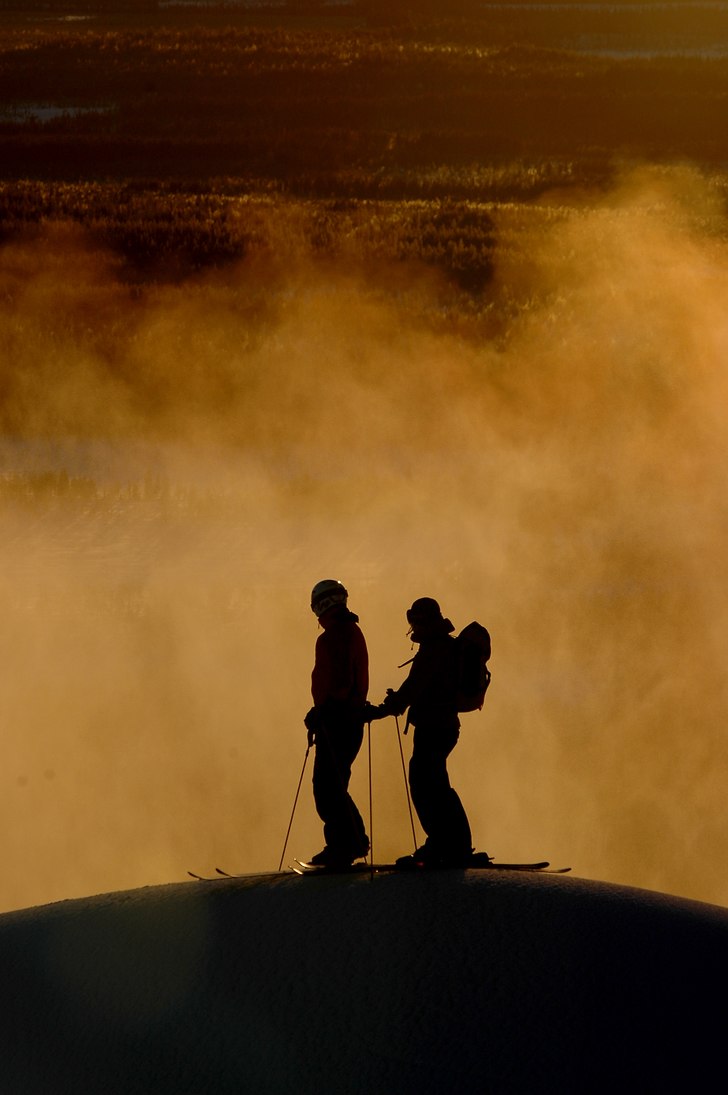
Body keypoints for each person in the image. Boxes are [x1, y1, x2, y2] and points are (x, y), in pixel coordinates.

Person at [375, 597, 473, 869]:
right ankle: (457, 843)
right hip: (444, 726)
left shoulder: (434, 649)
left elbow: (414, 686)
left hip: (433, 727)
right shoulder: (444, 645)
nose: (412, 626)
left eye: (414, 619)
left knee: (423, 783)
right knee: (437, 784)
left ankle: (442, 843)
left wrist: (388, 707)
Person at [304, 579, 370, 868]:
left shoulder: (335, 636)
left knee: (327, 787)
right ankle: (352, 840)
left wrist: (324, 711)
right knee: (334, 785)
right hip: (346, 720)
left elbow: (341, 682)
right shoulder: (348, 631)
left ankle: (344, 846)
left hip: (338, 722)